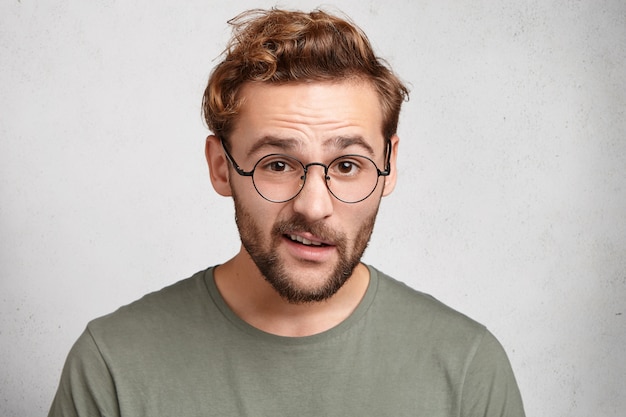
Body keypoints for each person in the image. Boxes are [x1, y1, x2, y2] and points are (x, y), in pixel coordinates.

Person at [48, 8, 525, 417]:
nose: (314, 206)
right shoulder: (111, 365)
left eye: (346, 165)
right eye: (277, 164)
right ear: (221, 167)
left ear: (388, 166)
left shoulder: (467, 369)